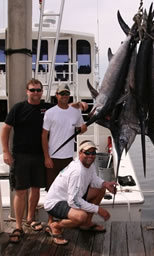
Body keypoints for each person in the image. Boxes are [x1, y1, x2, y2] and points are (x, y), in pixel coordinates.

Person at [1, 79, 88, 243]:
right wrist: (6, 151)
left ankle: (31, 219)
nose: (35, 93)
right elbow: (5, 129)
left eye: (38, 90)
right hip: (21, 155)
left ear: (42, 91)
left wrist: (81, 104)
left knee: (35, 189)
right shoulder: (18, 108)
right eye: (32, 90)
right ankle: (18, 226)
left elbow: (65, 106)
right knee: (20, 191)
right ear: (27, 91)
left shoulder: (47, 108)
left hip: (40, 155)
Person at [44, 140, 116, 245]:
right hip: (56, 203)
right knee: (81, 217)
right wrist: (98, 210)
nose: (90, 156)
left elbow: (94, 179)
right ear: (80, 153)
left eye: (93, 153)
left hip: (69, 198)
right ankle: (55, 226)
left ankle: (86, 224)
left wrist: (105, 184)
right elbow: (73, 201)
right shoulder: (77, 172)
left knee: (101, 190)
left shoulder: (89, 165)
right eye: (87, 153)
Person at [41, 84, 88, 226]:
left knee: (67, 189)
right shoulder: (50, 112)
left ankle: (65, 219)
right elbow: (44, 135)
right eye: (61, 94)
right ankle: (51, 220)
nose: (64, 96)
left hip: (68, 158)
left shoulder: (75, 112)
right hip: (53, 157)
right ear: (57, 95)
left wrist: (83, 129)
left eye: (66, 93)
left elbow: (80, 129)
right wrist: (47, 157)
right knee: (51, 190)